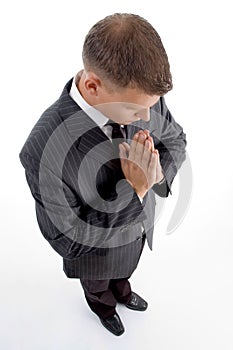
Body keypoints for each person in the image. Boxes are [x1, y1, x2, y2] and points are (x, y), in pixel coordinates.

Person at [19, 13, 187, 336]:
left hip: (132, 242)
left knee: (123, 274)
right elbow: (69, 240)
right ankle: (102, 305)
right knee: (100, 286)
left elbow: (176, 139)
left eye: (152, 106)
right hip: (95, 259)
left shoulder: (140, 96)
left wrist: (153, 175)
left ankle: (122, 289)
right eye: (135, 110)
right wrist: (134, 190)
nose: (147, 117)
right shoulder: (41, 151)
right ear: (93, 86)